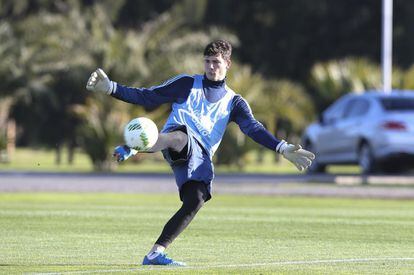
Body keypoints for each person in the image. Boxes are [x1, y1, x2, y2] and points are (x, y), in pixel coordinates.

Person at [86, 39, 315, 266]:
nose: (211, 67)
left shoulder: (234, 102)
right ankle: (134, 146)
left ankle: (155, 254)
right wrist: (111, 88)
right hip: (176, 140)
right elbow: (148, 97)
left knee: (196, 200)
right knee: (180, 137)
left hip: (200, 156)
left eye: (216, 62)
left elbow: (253, 128)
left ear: (228, 64)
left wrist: (282, 147)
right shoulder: (187, 83)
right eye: (207, 61)